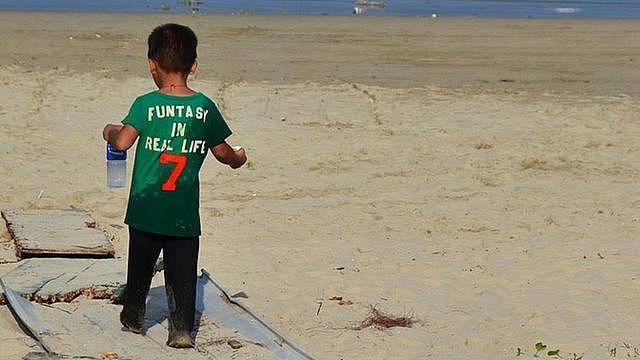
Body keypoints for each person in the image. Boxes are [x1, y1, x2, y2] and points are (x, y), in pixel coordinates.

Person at [102, 23, 246, 348]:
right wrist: (239, 158)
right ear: (193, 66)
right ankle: (180, 330)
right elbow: (224, 153)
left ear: (152, 64)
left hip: (144, 208)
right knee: (183, 274)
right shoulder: (204, 108)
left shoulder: (145, 104)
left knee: (139, 267)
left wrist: (109, 130)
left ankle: (134, 315)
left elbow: (123, 142)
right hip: (183, 214)